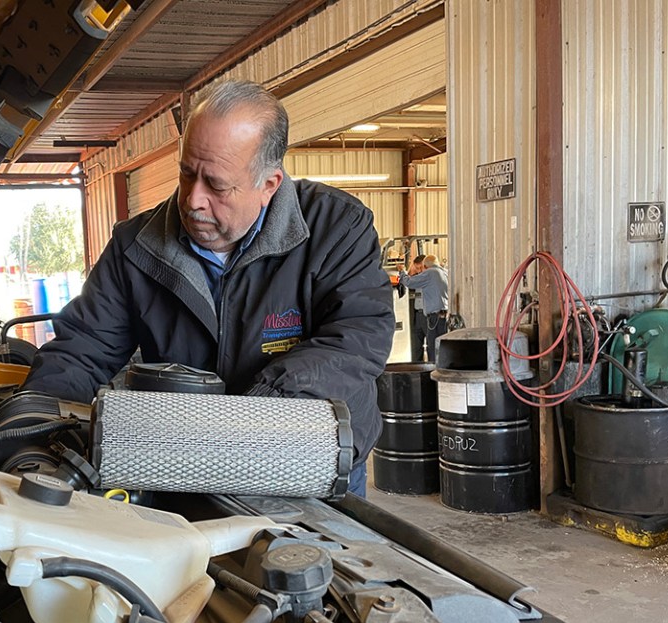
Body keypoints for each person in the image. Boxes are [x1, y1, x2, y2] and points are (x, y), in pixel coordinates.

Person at [22, 80, 395, 497]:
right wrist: (31, 424)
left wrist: (249, 413)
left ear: (268, 184)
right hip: (183, 464)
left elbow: (357, 337)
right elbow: (84, 348)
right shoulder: (136, 246)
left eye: (216, 185)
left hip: (306, 461)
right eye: (186, 174)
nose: (193, 200)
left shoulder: (336, 228)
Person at [398, 254, 448, 362]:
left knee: (433, 350)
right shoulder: (445, 272)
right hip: (444, 316)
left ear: (425, 266)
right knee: (443, 348)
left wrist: (402, 271)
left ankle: (433, 375)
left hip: (434, 318)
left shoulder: (430, 273)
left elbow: (408, 282)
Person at [407, 255, 428, 362]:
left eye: (420, 268)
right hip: (417, 314)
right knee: (416, 346)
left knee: (430, 345)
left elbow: (407, 281)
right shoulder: (416, 277)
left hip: (427, 314)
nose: (419, 271)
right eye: (417, 268)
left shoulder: (427, 277)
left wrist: (402, 272)